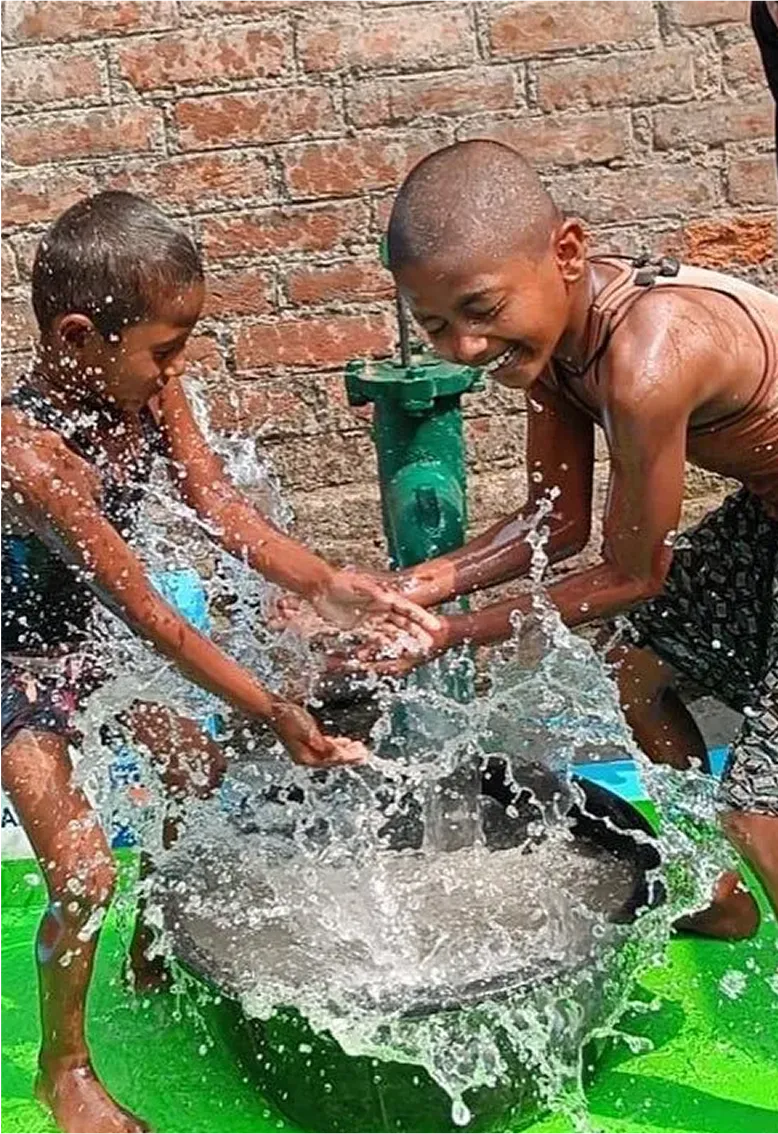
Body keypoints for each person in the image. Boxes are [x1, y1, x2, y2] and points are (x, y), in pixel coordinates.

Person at [0, 190, 437, 1134]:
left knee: (190, 772)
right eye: (165, 347)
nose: (178, 368)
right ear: (78, 339)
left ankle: (151, 943)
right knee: (82, 874)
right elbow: (155, 617)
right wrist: (276, 710)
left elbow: (216, 505)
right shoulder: (30, 460)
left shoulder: (148, 391)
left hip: (87, 638)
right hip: (12, 666)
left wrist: (330, 583)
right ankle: (62, 1069)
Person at [365, 137, 778, 943]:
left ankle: (740, 861)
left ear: (568, 251)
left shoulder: (647, 364)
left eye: (482, 311)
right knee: (636, 672)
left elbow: (631, 573)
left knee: (760, 813)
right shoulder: (557, 347)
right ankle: (719, 896)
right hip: (768, 511)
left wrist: (452, 632)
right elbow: (553, 523)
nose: (466, 349)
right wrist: (408, 588)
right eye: (437, 325)